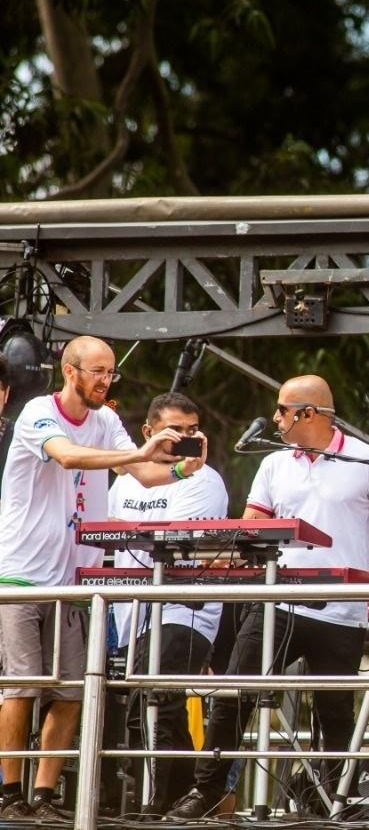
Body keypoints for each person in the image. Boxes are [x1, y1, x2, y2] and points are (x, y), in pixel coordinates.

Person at [167, 374, 369, 819]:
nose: (274, 418)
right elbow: (252, 526)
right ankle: (209, 790)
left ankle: (335, 799)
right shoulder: (274, 464)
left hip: (341, 611)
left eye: (281, 410)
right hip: (278, 602)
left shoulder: (367, 459)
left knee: (335, 713)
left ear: (307, 413)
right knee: (235, 692)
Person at [0, 336, 203, 819]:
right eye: (97, 372)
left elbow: (144, 474)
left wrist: (180, 467)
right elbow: (69, 455)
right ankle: (9, 793)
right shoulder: (37, 413)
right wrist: (139, 455)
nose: (106, 381)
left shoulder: (107, 418)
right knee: (22, 687)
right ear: (70, 371)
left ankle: (45, 795)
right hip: (21, 574)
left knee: (71, 692)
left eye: (111, 373)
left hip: (73, 578)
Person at [109, 393, 230, 813]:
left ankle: (153, 807)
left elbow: (179, 545)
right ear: (148, 433)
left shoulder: (205, 480)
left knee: (156, 699)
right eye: (175, 429)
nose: (186, 437)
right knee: (152, 711)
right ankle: (186, 803)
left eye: (193, 429)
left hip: (185, 608)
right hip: (130, 612)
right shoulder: (124, 480)